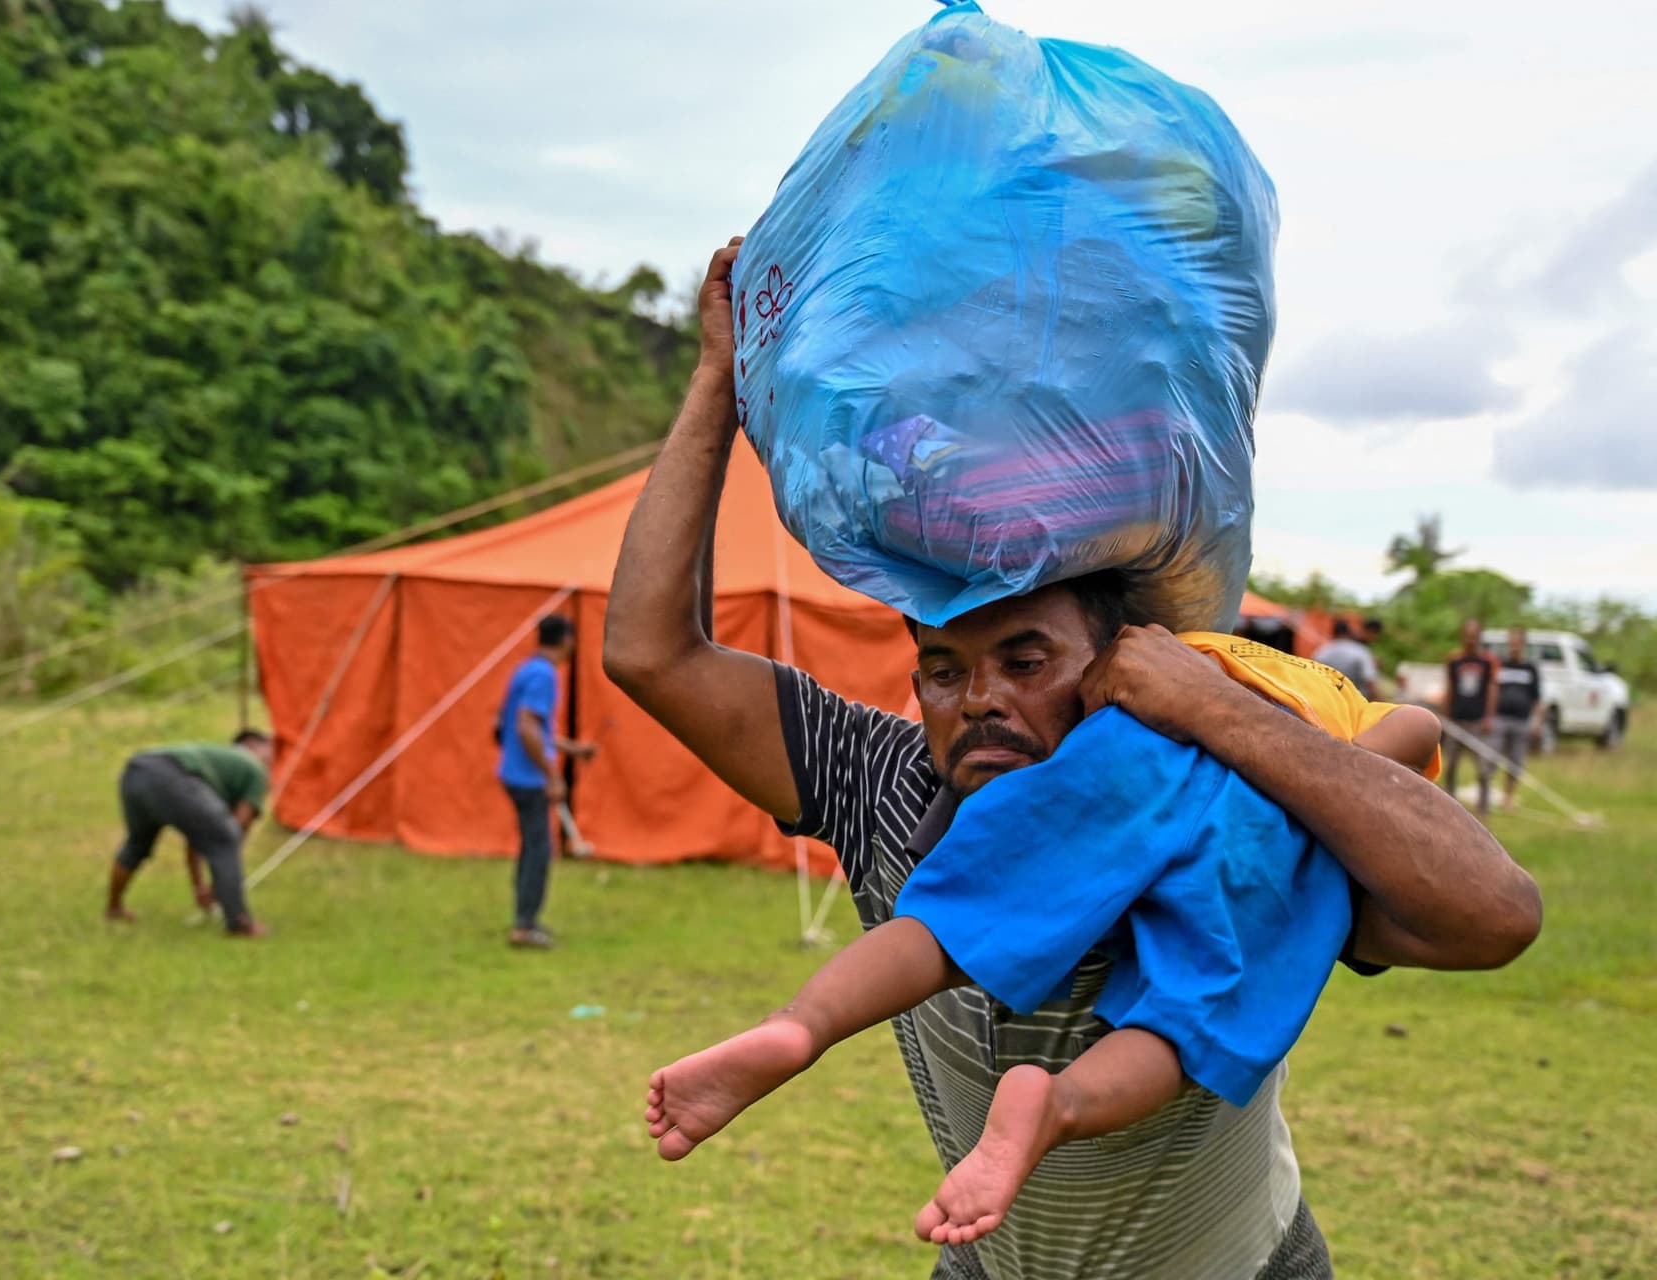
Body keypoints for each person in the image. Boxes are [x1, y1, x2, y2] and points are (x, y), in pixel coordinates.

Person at [603, 240, 1542, 1279]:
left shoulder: (1251, 801)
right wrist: (714, 386)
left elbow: (1494, 913)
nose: (981, 698)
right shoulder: (879, 781)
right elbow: (652, 652)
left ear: (1116, 667)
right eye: (943, 669)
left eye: (1025, 657)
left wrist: (1216, 714)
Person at [645, 628, 1440, 1247]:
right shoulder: (1340, 700)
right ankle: (1055, 1103)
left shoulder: (1178, 650)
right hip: (1271, 809)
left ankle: (799, 1025)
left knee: (956, 920)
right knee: (1191, 1022)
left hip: (1136, 742)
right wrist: (1310, 765)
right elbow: (1412, 732)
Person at [105, 731, 273, 937]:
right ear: (255, 747)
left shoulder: (221, 767)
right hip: (171, 774)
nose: (272, 761)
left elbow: (199, 834)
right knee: (226, 838)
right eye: (271, 751)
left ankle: (113, 908)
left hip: (135, 772)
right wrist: (219, 886)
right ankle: (240, 924)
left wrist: (199, 886)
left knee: (137, 845)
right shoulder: (254, 769)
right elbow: (234, 832)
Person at [496, 614, 598, 949]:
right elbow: (526, 727)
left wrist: (572, 749)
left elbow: (517, 728)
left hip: (514, 772)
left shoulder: (526, 669)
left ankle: (524, 918)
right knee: (539, 850)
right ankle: (524, 927)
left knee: (531, 847)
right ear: (566, 640)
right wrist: (552, 775)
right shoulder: (544, 675)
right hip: (528, 779)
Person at [1442, 618, 1501, 817]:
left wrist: (1489, 717)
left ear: (1479, 637)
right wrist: (1446, 714)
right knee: (1450, 765)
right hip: (1457, 718)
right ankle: (1449, 805)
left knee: (1483, 768)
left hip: (1478, 721)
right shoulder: (1454, 659)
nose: (1470, 639)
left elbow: (1492, 689)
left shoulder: (1487, 661)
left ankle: (1483, 807)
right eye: (1467, 635)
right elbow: (1449, 687)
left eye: (1474, 635)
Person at [1492, 626, 1543, 811]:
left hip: (1521, 720)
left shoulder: (1530, 668)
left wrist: (1537, 722)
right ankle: (1487, 791)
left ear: (1523, 644)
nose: (1513, 647)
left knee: (1515, 761)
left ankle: (1509, 796)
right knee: (1491, 755)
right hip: (1500, 718)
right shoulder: (1500, 665)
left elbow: (1537, 698)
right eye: (1511, 643)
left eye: (1517, 643)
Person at [1311, 618, 1377, 699]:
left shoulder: (1324, 649)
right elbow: (1369, 680)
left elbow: (1312, 671)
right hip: (1352, 700)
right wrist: (1380, 700)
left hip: (1325, 696)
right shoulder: (1361, 651)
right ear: (1348, 633)